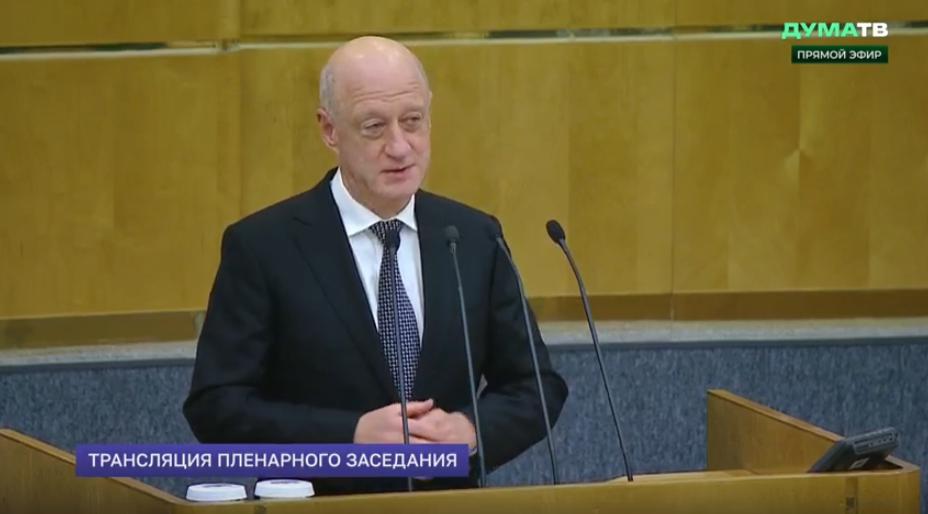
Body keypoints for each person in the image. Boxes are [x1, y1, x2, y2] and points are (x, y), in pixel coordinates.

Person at [183, 36, 568, 495]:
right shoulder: (264, 247)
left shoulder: (473, 237)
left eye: (413, 121)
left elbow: (535, 386)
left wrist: (469, 431)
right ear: (329, 130)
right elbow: (216, 407)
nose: (400, 147)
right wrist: (349, 437)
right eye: (374, 127)